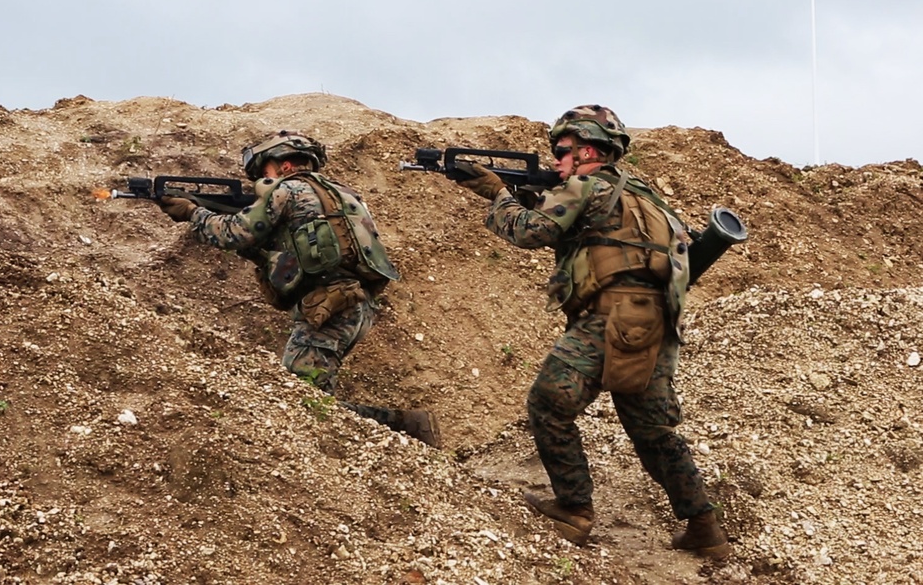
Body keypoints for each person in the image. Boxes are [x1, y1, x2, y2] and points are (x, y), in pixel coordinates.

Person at [454, 105, 729, 557]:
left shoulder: (585, 186)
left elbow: (528, 231)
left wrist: (498, 193)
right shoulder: (651, 200)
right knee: (653, 431)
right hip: (657, 324)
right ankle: (705, 528)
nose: (556, 160)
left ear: (587, 151)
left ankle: (574, 510)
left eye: (562, 150)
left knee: (548, 404)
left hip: (608, 318)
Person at [158, 130, 441, 448]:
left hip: (328, 306)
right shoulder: (341, 195)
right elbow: (289, 248)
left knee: (300, 398)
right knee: (310, 397)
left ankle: (407, 430)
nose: (263, 180)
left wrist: (193, 213)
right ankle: (404, 432)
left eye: (264, 172)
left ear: (284, 164)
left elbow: (233, 234)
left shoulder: (288, 190)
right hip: (352, 305)